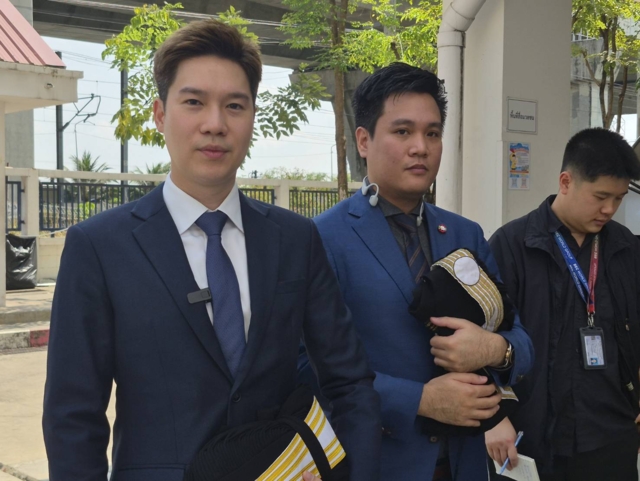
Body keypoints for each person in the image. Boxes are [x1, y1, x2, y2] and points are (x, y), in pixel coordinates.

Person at [42, 19, 380, 481]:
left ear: (252, 117)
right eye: (194, 102)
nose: (215, 124)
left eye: (234, 106)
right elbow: (73, 416)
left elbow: (350, 382)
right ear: (160, 114)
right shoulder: (99, 246)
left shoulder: (295, 238)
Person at [299, 62, 534, 481]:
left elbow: (518, 336)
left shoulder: (464, 233)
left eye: (433, 133)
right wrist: (418, 400)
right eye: (403, 131)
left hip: (464, 463)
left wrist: (495, 349)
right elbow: (304, 366)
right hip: (378, 462)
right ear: (364, 140)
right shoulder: (322, 238)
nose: (420, 147)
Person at [486, 127, 640, 481]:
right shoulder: (513, 245)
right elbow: (484, 341)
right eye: (600, 196)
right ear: (566, 182)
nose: (609, 209)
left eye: (618, 198)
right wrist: (494, 417)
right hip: (531, 437)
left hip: (611, 436)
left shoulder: (626, 248)